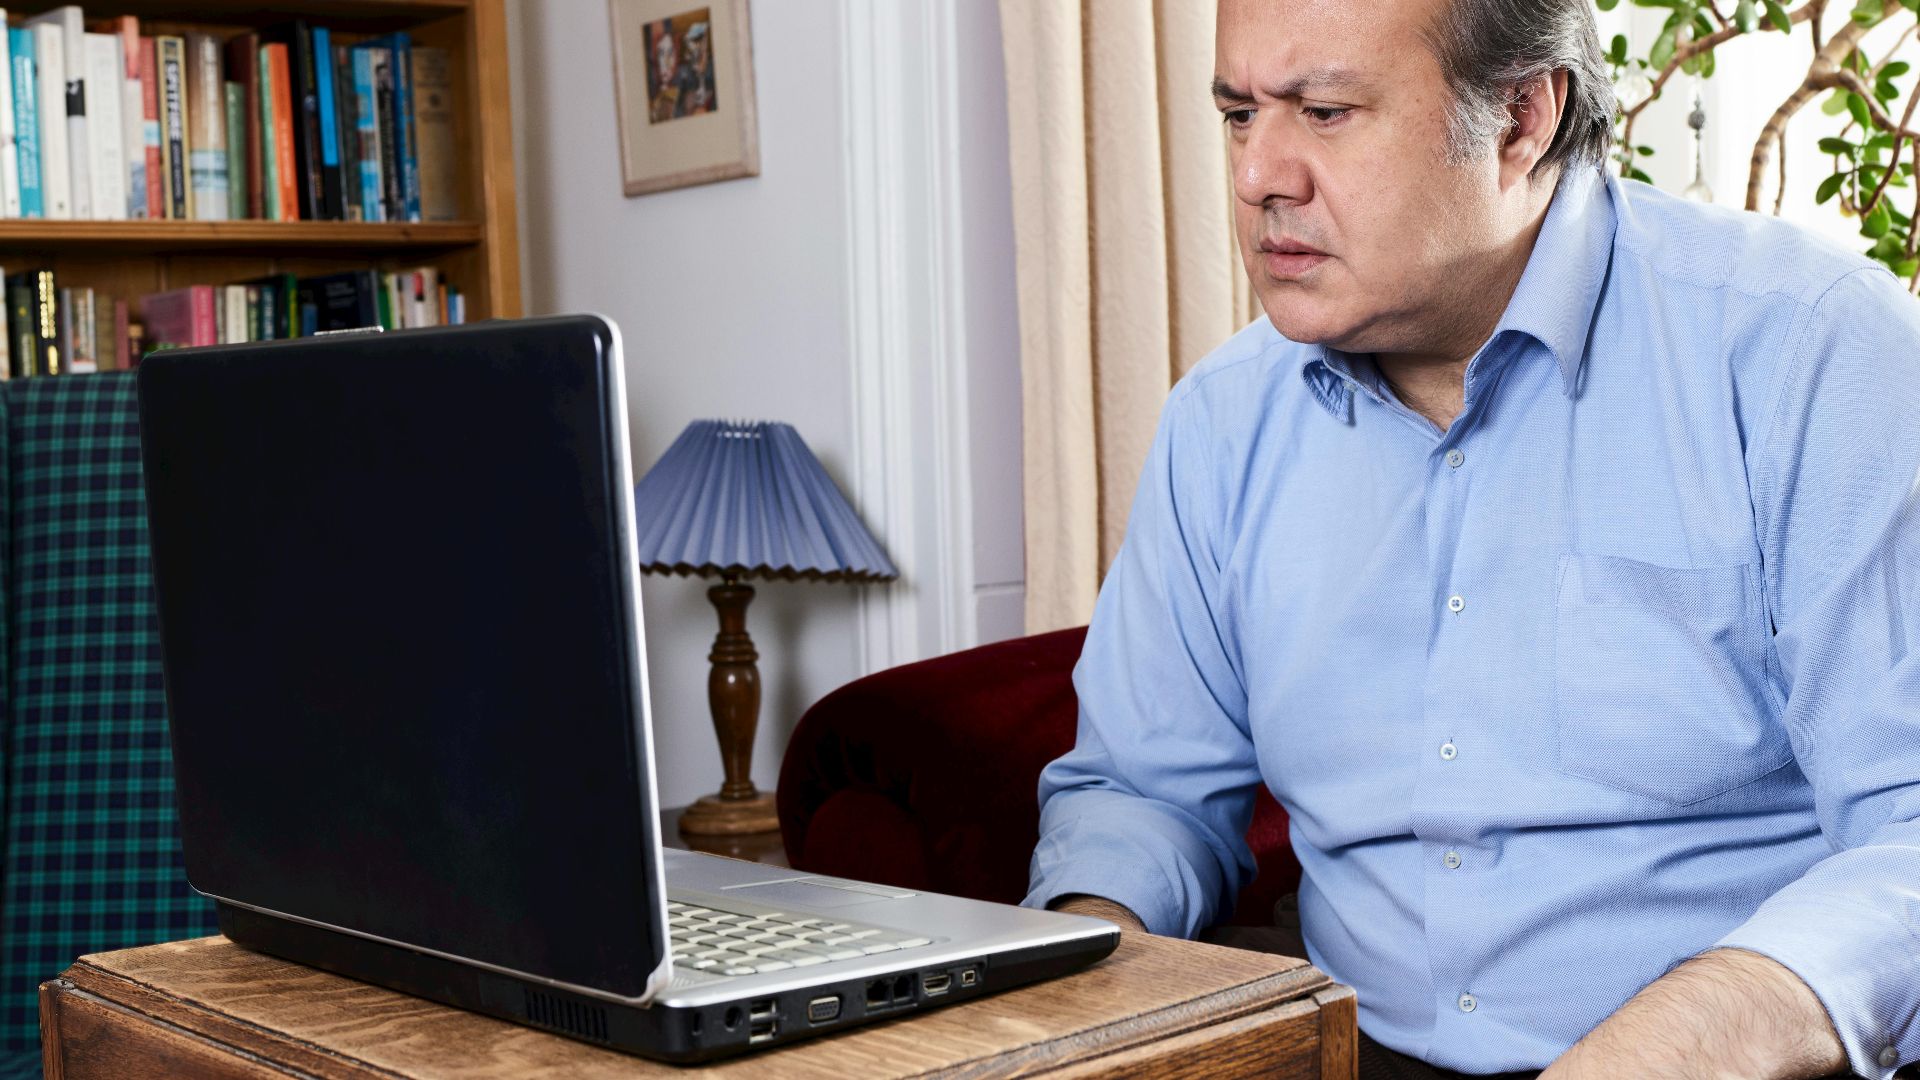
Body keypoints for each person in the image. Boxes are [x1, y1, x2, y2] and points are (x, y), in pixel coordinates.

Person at [1022, 0, 1920, 1078]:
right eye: (1238, 114)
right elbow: (1143, 794)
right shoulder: (1221, 423)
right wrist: (1073, 998)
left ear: (1521, 117)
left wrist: (1682, 1038)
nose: (1262, 173)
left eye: (1325, 110)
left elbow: (1909, 832)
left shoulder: (1809, 350)